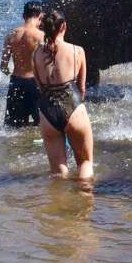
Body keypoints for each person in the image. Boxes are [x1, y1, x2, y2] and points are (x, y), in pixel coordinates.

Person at [31, 10, 96, 181]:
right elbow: (82, 89)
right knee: (85, 163)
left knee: (58, 172)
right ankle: (84, 202)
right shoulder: (77, 51)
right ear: (64, 26)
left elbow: (39, 85)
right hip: (72, 104)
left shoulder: (36, 54)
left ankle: (59, 203)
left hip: (47, 111)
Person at [1, 1, 44, 127]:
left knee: (14, 127)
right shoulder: (41, 36)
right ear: (39, 16)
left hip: (16, 82)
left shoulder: (11, 35)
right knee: (41, 125)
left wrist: (11, 73)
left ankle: (18, 147)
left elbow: (3, 67)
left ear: (23, 16)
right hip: (35, 83)